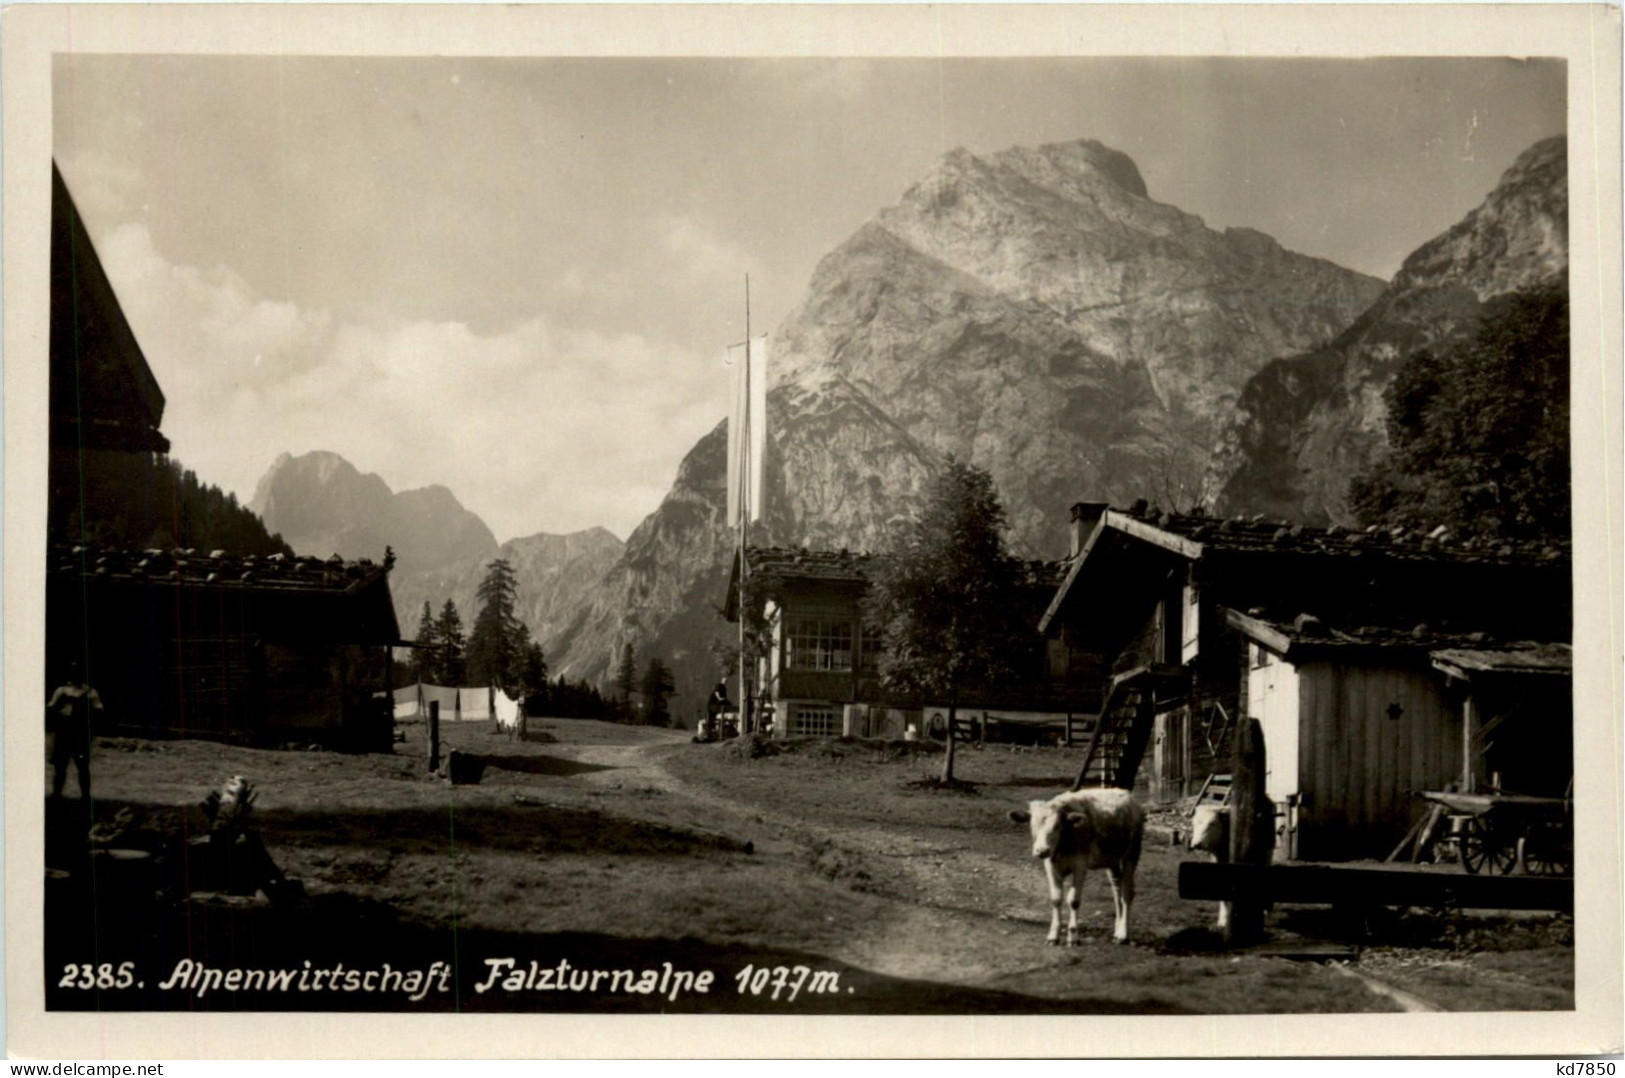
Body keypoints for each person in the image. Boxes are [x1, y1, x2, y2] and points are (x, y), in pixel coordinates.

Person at [47, 660, 101, 799]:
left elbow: (99, 709)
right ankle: (57, 794)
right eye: (73, 672)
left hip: (80, 734)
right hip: (64, 733)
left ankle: (85, 795)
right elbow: (50, 707)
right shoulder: (62, 691)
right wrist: (59, 714)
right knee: (60, 766)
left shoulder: (90, 693)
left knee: (82, 766)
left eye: (78, 672)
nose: (75, 675)